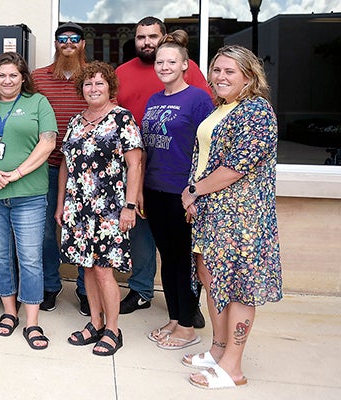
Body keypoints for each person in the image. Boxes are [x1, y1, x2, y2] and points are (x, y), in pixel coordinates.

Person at [181, 45, 282, 389]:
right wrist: (195, 195)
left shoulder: (257, 111)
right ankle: (218, 350)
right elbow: (205, 157)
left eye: (230, 72)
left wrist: (194, 191)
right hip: (213, 213)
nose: (220, 77)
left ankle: (233, 368)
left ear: (249, 77)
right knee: (213, 282)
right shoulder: (222, 108)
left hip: (242, 218)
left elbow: (237, 166)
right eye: (217, 70)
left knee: (239, 289)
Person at [115, 16, 211, 319]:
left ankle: (188, 309)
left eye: (152, 36)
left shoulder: (193, 82)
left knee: (182, 253)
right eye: (141, 37)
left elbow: (205, 137)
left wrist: (198, 186)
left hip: (181, 183)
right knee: (151, 244)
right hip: (143, 175)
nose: (147, 42)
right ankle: (150, 296)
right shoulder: (133, 80)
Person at [0, 52, 57, 350]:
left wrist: (16, 173)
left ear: (23, 78)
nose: (7, 80)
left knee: (30, 258)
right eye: (2, 75)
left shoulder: (38, 103)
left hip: (28, 194)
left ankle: (32, 321)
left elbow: (48, 142)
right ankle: (9, 311)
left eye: (13, 75)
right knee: (1, 256)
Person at [56, 61, 143, 356]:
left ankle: (113, 330)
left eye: (99, 84)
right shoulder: (75, 122)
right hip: (78, 207)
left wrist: (129, 206)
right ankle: (94, 323)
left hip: (110, 209)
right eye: (88, 84)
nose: (93, 89)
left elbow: (135, 165)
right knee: (87, 268)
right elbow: (66, 167)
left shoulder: (122, 119)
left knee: (104, 271)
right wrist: (61, 206)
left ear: (110, 88)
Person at [140, 31, 214, 349]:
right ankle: (174, 317)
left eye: (172, 61)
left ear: (185, 64)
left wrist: (196, 192)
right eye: (160, 61)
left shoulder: (198, 99)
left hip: (181, 193)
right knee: (167, 258)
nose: (165, 66)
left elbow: (210, 148)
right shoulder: (155, 100)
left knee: (183, 260)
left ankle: (187, 326)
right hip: (154, 189)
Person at [31, 21, 89, 314]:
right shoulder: (38, 77)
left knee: (82, 230)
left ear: (82, 44)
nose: (68, 43)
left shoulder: (94, 77)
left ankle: (84, 289)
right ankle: (50, 285)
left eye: (74, 38)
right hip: (45, 167)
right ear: (56, 44)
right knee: (44, 232)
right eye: (62, 38)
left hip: (85, 171)